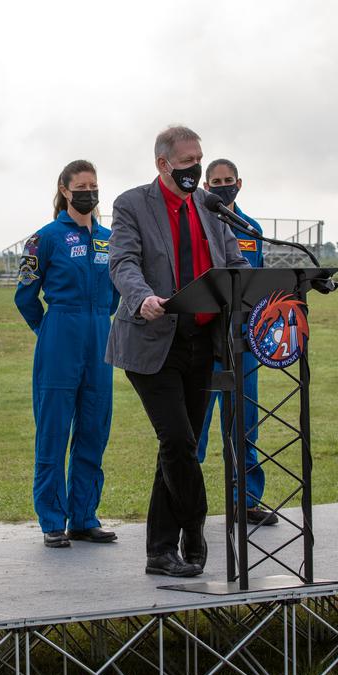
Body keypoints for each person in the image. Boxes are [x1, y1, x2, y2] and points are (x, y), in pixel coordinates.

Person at [107, 126, 250, 577]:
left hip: (200, 342)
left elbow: (235, 265)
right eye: (187, 161)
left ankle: (159, 551)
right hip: (152, 340)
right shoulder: (132, 204)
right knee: (178, 441)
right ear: (163, 164)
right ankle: (194, 525)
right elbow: (122, 261)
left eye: (199, 159)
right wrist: (141, 296)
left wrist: (258, 287)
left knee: (177, 450)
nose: (196, 169)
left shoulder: (211, 208)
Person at [14, 160, 120, 548]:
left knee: (94, 429)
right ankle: (52, 520)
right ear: (64, 189)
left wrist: (99, 320)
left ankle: (84, 516)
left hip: (99, 338)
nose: (89, 191)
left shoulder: (111, 238)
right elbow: (25, 296)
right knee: (54, 432)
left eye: (94, 184)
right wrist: (49, 330)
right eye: (81, 185)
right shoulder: (45, 239)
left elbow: (119, 290)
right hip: (59, 336)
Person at [196, 159, 276, 526]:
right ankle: (186, 504)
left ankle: (246, 500)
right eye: (216, 182)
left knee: (244, 422)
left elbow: (256, 283)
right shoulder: (196, 222)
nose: (223, 186)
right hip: (203, 337)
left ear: (240, 183)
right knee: (194, 424)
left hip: (242, 339)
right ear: (205, 185)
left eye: (228, 181)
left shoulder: (250, 228)